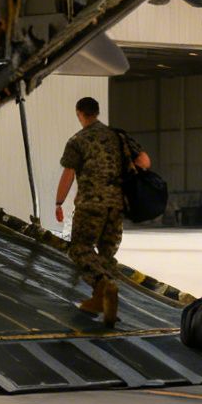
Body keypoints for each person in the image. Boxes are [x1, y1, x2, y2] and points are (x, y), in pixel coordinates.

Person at [55, 96, 150, 327]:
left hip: (90, 205)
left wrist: (59, 203)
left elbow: (68, 174)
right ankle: (102, 302)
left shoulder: (78, 140)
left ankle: (105, 285)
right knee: (105, 255)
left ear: (80, 113)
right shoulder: (118, 137)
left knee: (80, 248)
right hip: (116, 205)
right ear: (97, 112)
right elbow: (145, 162)